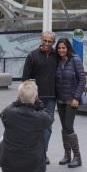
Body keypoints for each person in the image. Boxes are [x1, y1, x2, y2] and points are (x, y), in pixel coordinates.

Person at [0, 80, 52, 172]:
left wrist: (18, 101)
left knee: (3, 139)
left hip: (9, 158)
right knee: (41, 150)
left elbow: (5, 112)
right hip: (31, 160)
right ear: (36, 97)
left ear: (19, 96)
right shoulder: (41, 118)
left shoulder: (8, 113)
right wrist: (38, 104)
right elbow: (49, 117)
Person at [21, 31, 58, 163]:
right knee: (34, 126)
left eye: (50, 41)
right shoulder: (32, 56)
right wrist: (28, 96)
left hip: (51, 98)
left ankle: (43, 153)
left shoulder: (57, 56)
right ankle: (33, 152)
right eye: (45, 40)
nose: (47, 43)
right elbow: (25, 79)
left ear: (53, 43)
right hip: (35, 98)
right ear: (41, 39)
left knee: (48, 126)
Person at [54, 37, 86, 168]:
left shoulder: (75, 60)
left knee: (69, 126)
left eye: (63, 48)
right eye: (59, 48)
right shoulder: (57, 61)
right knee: (64, 128)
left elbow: (82, 80)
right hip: (60, 99)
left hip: (71, 100)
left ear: (68, 48)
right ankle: (67, 155)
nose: (61, 50)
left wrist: (76, 98)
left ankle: (77, 157)